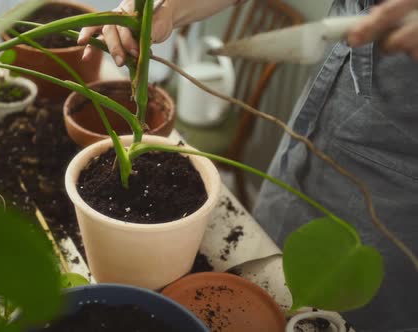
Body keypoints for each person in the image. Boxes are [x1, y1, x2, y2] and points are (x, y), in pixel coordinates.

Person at [78, 0, 418, 331]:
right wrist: (168, 10)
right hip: (310, 140)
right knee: (268, 271)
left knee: (350, 314)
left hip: (395, 205)